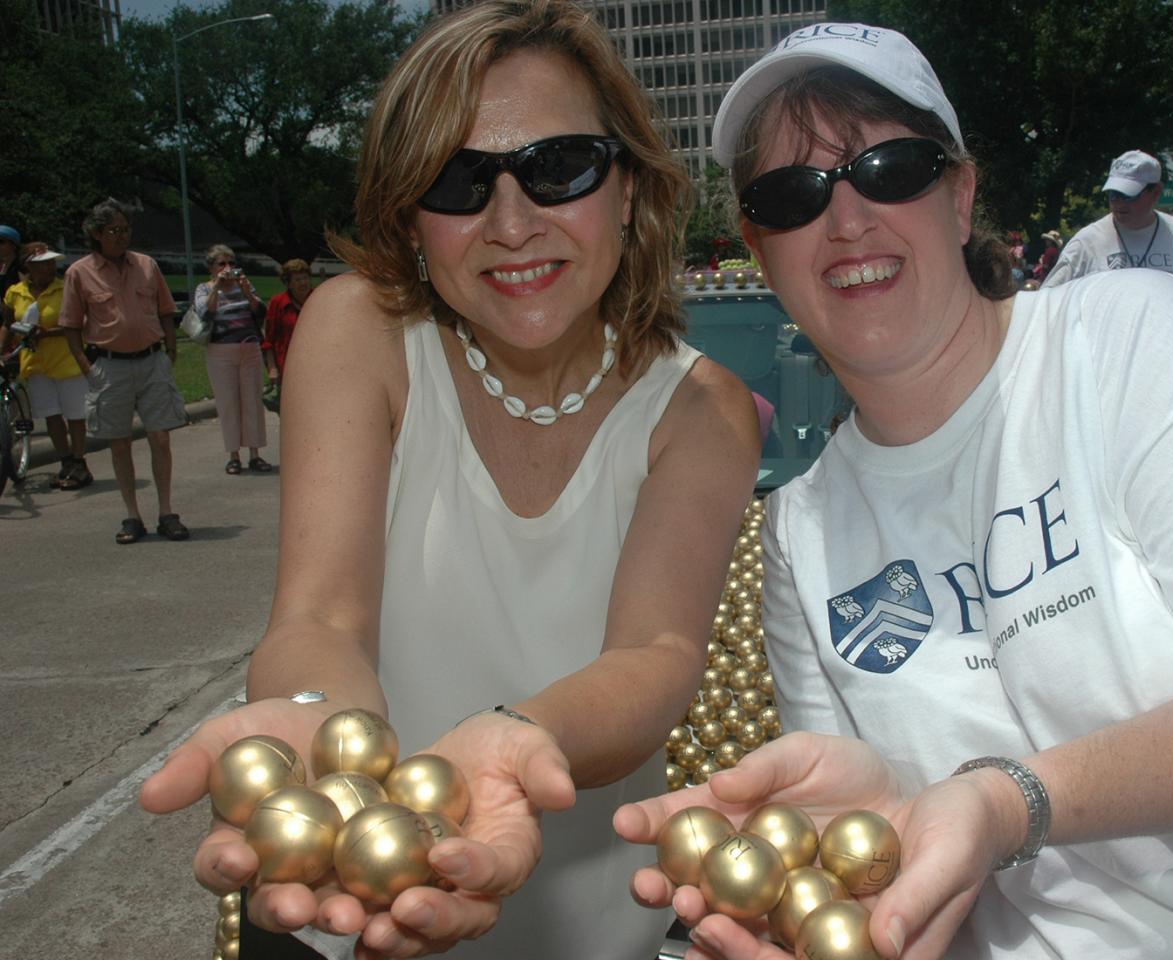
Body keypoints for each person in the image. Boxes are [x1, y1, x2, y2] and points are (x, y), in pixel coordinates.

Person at [615, 21, 1173, 960]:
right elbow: (906, 844)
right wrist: (866, 851)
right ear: (760, 249)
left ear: (961, 195)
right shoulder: (803, 532)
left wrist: (1006, 800)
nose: (845, 220)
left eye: (888, 168)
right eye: (791, 194)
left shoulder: (1132, 341)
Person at [138, 2, 760, 959]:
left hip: (589, 925)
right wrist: (322, 735)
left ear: (630, 186)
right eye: (457, 182)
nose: (511, 225)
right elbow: (321, 618)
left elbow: (659, 654)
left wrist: (511, 745)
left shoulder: (703, 411)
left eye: (559, 169)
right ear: (410, 216)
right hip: (348, 891)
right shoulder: (359, 335)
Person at [59, 199, 189, 544]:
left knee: (160, 437)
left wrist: (171, 349)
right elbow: (70, 325)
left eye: (126, 229)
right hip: (109, 366)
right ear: (97, 234)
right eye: (114, 230)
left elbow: (166, 310)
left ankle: (166, 512)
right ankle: (132, 515)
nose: (122, 236)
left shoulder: (147, 265)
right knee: (120, 443)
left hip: (152, 362)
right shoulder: (79, 273)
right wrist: (86, 366)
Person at [1042, 149, 1173, 309]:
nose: (1119, 203)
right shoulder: (1087, 241)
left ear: (1155, 193)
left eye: (1128, 195)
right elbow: (1048, 301)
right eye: (1113, 195)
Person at [2, 243, 92, 488]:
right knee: (51, 414)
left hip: (67, 361)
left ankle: (79, 461)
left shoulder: (66, 289)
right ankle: (65, 461)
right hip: (35, 364)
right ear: (29, 266)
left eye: (52, 263)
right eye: (43, 264)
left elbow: (80, 322)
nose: (50, 268)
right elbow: (8, 324)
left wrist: (48, 333)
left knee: (74, 415)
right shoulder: (15, 292)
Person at [193, 244, 270, 474]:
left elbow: (259, 311)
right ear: (211, 268)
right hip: (221, 351)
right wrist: (217, 287)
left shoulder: (243, 285)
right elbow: (205, 313)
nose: (228, 268)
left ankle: (255, 454)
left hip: (249, 349)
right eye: (222, 264)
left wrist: (246, 289)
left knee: (252, 402)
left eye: (231, 263)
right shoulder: (204, 288)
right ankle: (233, 454)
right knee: (228, 403)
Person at [263, 258, 312, 400]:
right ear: (288, 283)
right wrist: (272, 369)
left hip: (315, 365)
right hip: (288, 366)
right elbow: (269, 340)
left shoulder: (318, 298)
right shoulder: (277, 303)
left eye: (305, 278)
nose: (303, 283)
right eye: (297, 280)